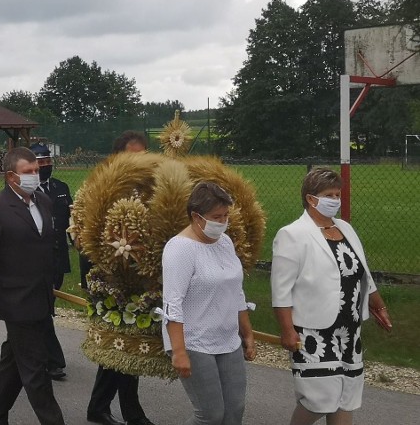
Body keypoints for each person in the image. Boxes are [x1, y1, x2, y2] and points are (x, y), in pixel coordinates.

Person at [271, 168, 392, 425]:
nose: (335, 200)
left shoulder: (345, 228)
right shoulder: (292, 234)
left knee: (345, 396)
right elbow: (280, 291)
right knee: (318, 400)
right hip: (312, 333)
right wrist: (287, 330)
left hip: (349, 328)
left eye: (338, 194)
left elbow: (362, 272)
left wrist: (377, 302)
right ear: (310, 198)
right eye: (329, 195)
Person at [0, 146, 66, 425]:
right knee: (36, 370)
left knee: (13, 363)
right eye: (28, 172)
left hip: (40, 298)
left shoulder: (44, 202)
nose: (35, 176)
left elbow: (46, 249)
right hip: (16, 301)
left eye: (36, 170)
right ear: (11, 176)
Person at [162, 181, 257, 425]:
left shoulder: (224, 242)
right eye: (217, 217)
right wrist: (179, 352)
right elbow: (173, 303)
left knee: (235, 410)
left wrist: (247, 333)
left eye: (226, 215)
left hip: (227, 339)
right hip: (194, 341)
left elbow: (236, 291)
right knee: (211, 415)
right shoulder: (180, 249)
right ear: (196, 216)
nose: (223, 222)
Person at [84, 131, 155, 425]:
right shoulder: (101, 188)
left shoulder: (148, 190)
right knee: (120, 343)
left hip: (140, 277)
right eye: (134, 156)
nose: (141, 162)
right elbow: (86, 236)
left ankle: (102, 408)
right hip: (110, 276)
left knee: (126, 343)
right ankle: (126, 411)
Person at [30, 142, 70, 381]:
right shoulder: (24, 191)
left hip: (57, 257)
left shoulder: (61, 188)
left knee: (46, 309)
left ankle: (29, 351)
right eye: (40, 162)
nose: (45, 166)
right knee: (43, 308)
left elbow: (71, 221)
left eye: (48, 162)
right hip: (34, 259)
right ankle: (53, 360)